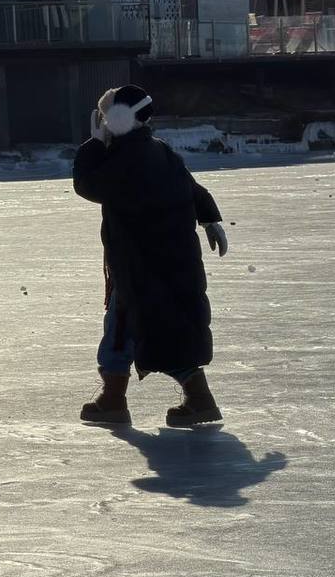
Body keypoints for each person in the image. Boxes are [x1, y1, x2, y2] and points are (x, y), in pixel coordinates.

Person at [72, 84, 229, 427]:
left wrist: (93, 146)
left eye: (105, 116)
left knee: (122, 329)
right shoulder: (158, 151)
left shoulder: (128, 159)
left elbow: (89, 185)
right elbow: (191, 187)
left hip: (140, 266)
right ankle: (194, 398)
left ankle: (114, 400)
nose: (102, 123)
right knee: (162, 328)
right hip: (168, 262)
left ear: (119, 118)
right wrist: (210, 218)